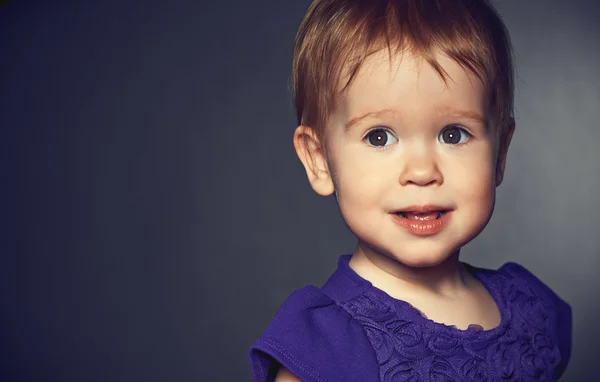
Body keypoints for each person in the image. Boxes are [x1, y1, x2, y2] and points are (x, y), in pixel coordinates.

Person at [249, 0, 572, 380]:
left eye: (453, 134)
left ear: (500, 151)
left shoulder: (534, 311)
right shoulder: (325, 349)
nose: (421, 171)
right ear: (319, 159)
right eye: (379, 136)